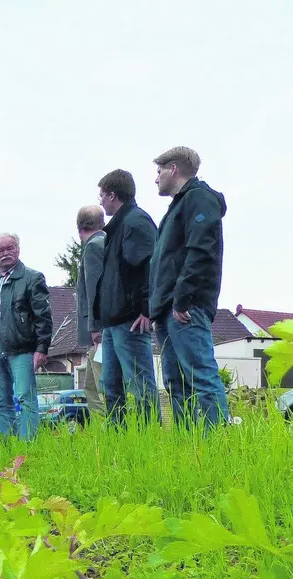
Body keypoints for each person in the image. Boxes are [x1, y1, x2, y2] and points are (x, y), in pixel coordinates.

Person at [148, 146, 230, 430]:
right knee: (176, 382)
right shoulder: (177, 208)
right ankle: (186, 445)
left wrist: (183, 299)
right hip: (167, 309)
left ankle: (216, 442)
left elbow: (201, 252)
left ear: (173, 169)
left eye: (158, 172)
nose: (155, 179)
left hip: (185, 307)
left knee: (201, 377)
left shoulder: (199, 199)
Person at [94, 169, 162, 426]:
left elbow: (148, 267)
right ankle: (118, 439)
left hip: (131, 319)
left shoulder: (136, 222)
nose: (100, 202)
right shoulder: (119, 226)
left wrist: (146, 309)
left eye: (102, 196)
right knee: (110, 385)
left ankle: (148, 438)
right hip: (113, 321)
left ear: (113, 195)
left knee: (140, 384)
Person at [0, 233, 52, 439]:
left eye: (10, 248)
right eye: (0, 250)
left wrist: (42, 348)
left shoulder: (32, 277)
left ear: (18, 250)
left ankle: (27, 446)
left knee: (25, 398)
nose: (5, 253)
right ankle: (6, 446)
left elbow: (43, 316)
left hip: (21, 347)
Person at [74, 207, 107, 418]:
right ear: (102, 223)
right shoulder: (105, 242)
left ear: (79, 229)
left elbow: (94, 288)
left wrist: (95, 327)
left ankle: (110, 432)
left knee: (101, 384)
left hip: (100, 332)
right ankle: (101, 430)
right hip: (101, 330)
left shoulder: (94, 246)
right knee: (90, 387)